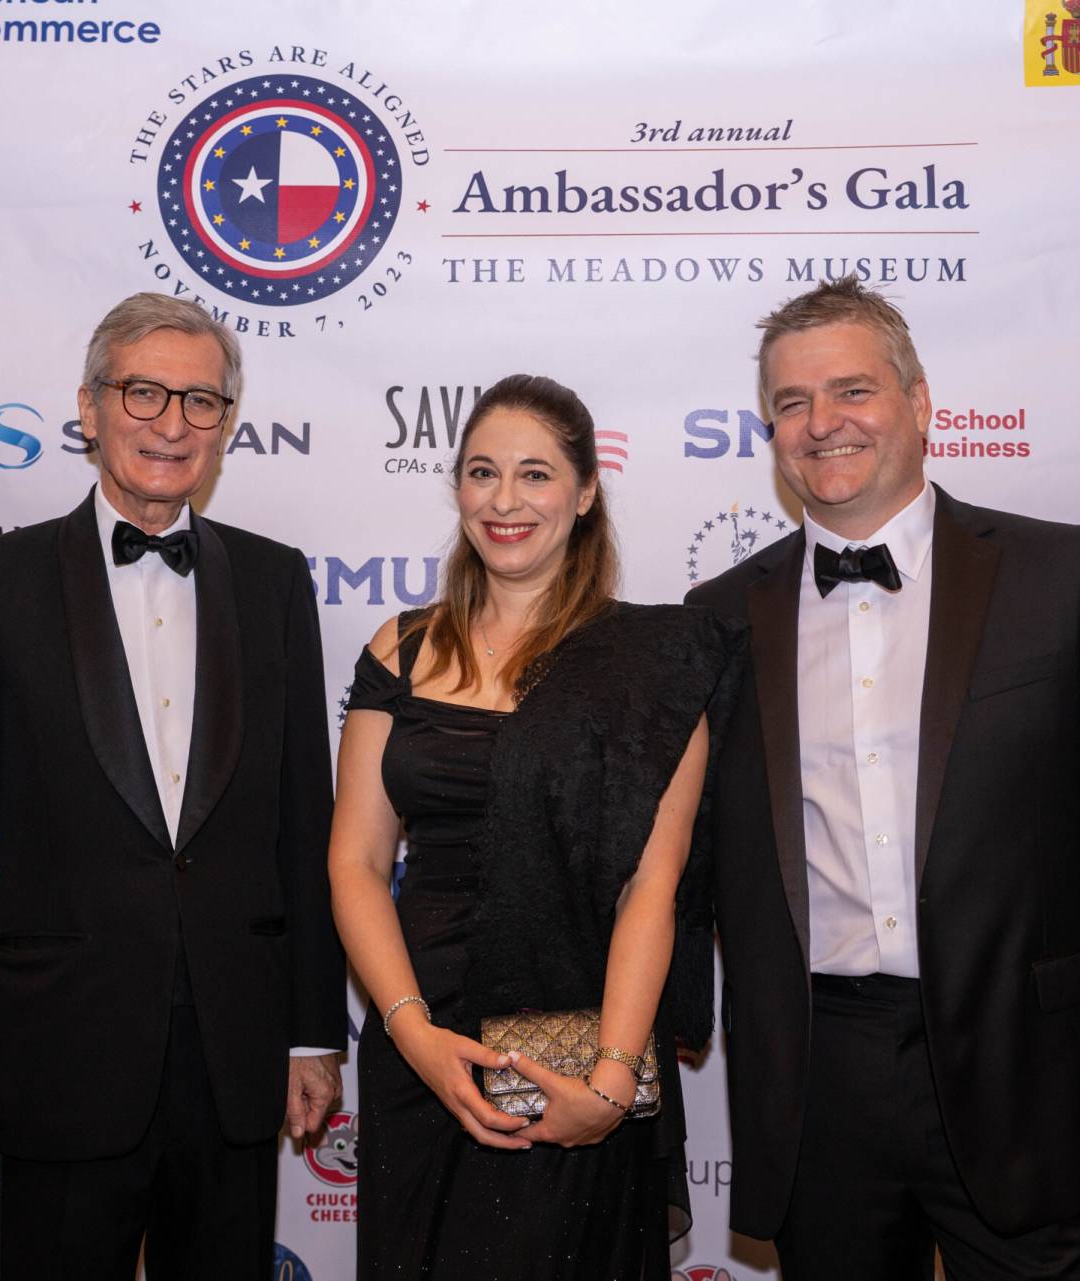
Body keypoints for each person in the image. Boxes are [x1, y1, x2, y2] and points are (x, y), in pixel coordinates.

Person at [687, 278, 1080, 1279]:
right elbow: (685, 862)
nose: (822, 423)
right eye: (791, 403)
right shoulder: (718, 615)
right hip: (818, 1083)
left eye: (852, 390)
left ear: (919, 402)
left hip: (1033, 1069)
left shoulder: (1055, 575)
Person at [0, 292, 346, 1279]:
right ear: (89, 406)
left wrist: (311, 1034)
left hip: (235, 1060)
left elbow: (301, 824)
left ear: (226, 423)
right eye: (143, 392)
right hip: (56, 1057)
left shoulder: (275, 584)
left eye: (200, 401)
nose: (171, 423)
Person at [329, 374, 744, 1280]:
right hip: (418, 1037)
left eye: (535, 474)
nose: (504, 500)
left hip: (574, 1046)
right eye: (482, 472)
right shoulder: (399, 648)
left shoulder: (656, 662)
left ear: (586, 491)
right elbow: (355, 859)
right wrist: (411, 1033)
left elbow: (652, 884)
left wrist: (609, 1081)